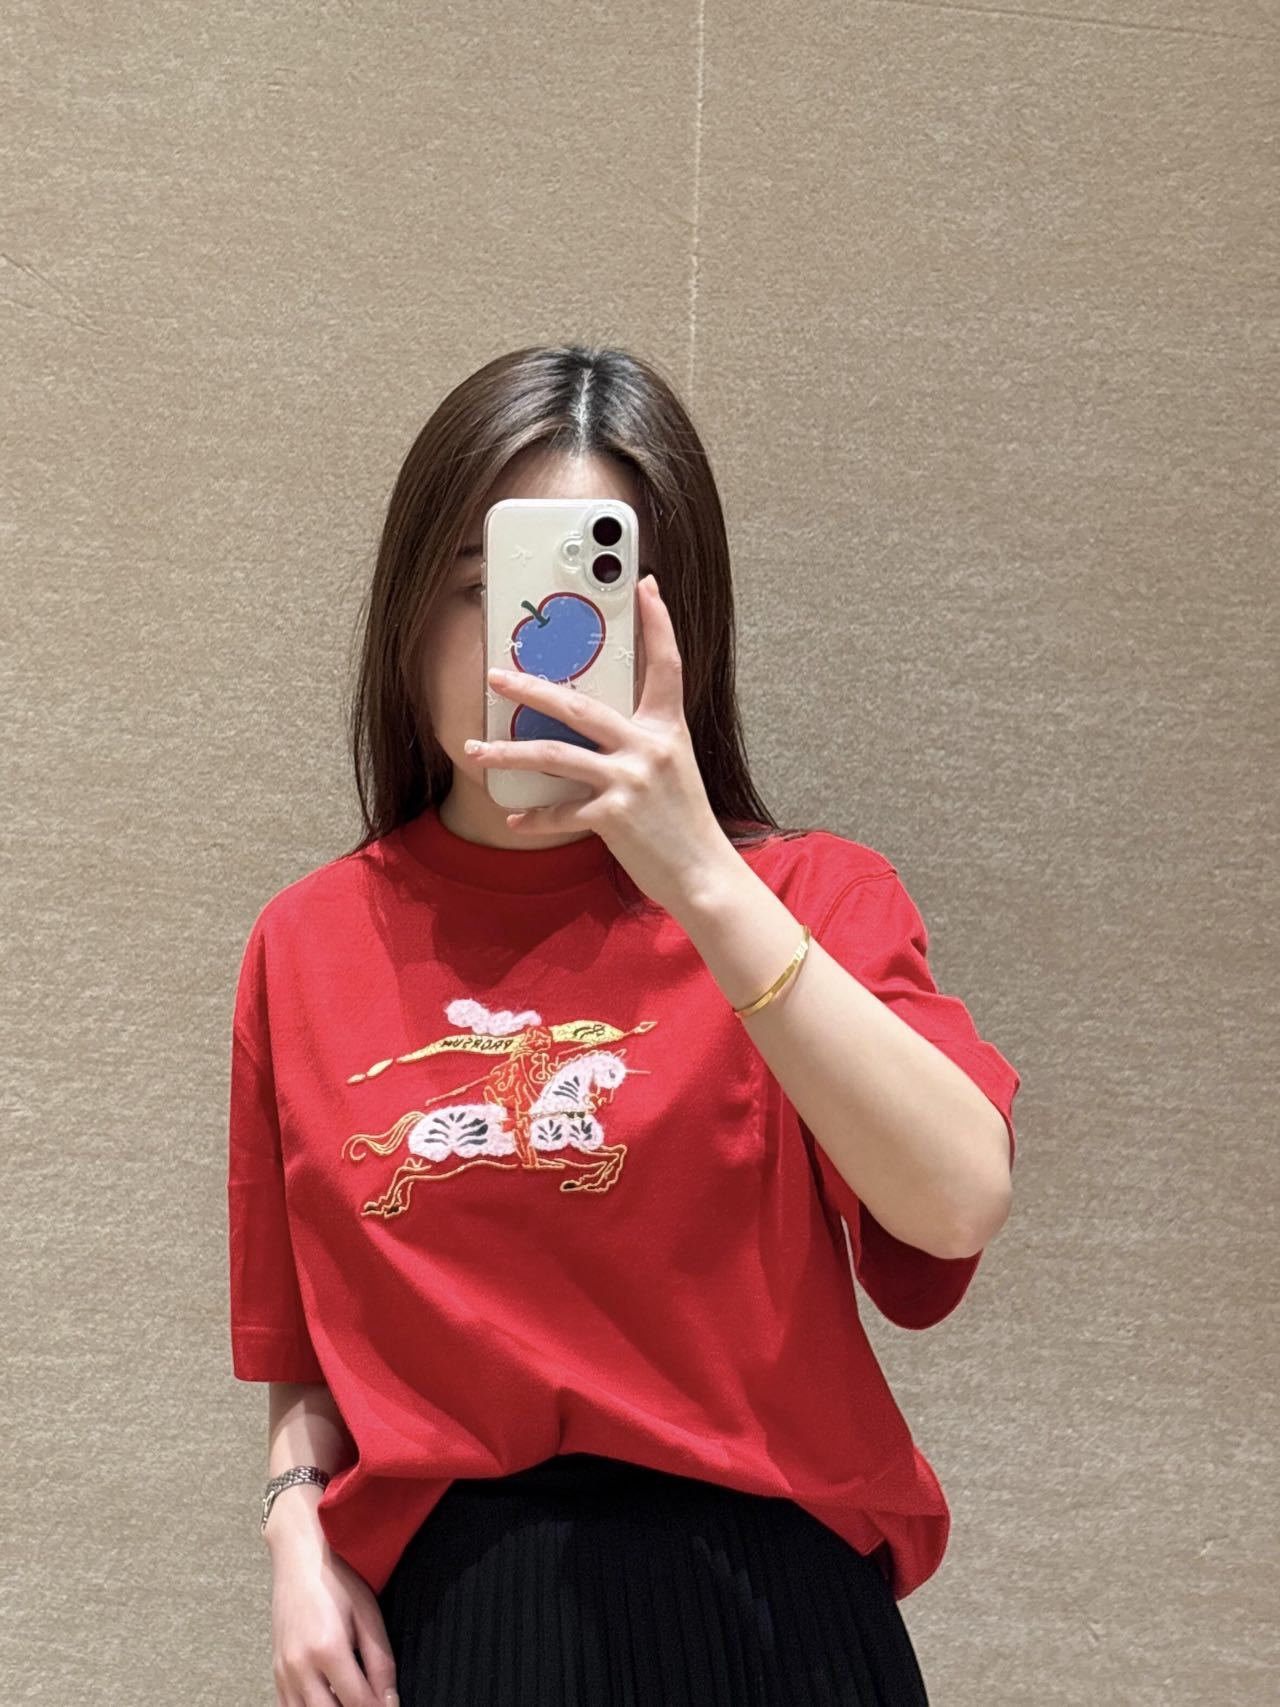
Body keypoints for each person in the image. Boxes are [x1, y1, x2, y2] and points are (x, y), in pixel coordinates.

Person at [227, 343, 1021, 1707]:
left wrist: (699, 872)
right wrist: (295, 1529)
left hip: (773, 1619)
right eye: (478, 586)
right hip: (457, 1624)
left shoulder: (806, 899)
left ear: (675, 623)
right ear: (406, 616)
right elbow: (304, 1344)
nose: (529, 640)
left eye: (579, 590)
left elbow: (954, 1204)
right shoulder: (309, 942)